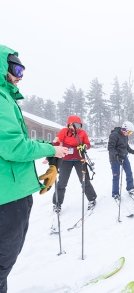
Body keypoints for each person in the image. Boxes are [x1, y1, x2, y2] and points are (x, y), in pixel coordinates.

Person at [0, 44, 68, 293]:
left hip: (10, 192)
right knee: (3, 262)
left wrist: (47, 151)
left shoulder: (6, 98)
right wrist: (52, 150)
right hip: (8, 200)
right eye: (15, 68)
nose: (19, 76)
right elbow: (13, 148)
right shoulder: (0, 98)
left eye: (22, 70)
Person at [52, 115, 97, 212]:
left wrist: (84, 146)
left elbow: (88, 144)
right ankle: (57, 203)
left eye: (79, 125)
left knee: (85, 180)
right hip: (65, 160)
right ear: (69, 124)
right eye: (75, 124)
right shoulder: (64, 131)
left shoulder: (82, 133)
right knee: (62, 183)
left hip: (79, 159)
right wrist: (54, 147)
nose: (78, 127)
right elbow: (56, 142)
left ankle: (92, 199)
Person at [108, 121, 134, 200]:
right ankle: (115, 193)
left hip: (124, 156)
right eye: (129, 132)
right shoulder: (114, 135)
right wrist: (116, 155)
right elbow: (110, 148)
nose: (129, 134)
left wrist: (133, 152)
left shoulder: (125, 135)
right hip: (115, 158)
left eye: (130, 133)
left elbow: (126, 147)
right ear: (124, 129)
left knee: (129, 172)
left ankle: (130, 188)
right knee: (116, 175)